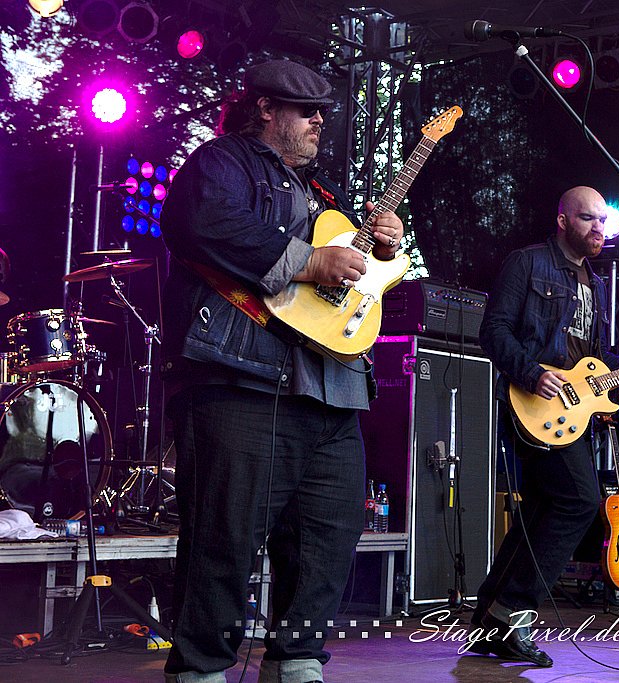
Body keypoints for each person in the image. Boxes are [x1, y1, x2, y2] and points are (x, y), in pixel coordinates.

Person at [159, 60, 404, 683]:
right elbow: (200, 223)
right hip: (241, 378)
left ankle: (297, 663)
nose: (319, 119)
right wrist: (308, 261)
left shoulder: (323, 194)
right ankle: (200, 671)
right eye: (305, 109)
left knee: (328, 538)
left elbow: (347, 285)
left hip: (333, 388)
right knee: (224, 537)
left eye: (322, 110)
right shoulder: (222, 161)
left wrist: (382, 250)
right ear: (265, 109)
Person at [466, 186, 619, 667]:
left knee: (542, 509)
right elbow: (493, 331)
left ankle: (488, 620)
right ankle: (512, 611)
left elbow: (597, 361)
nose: (599, 229)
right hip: (532, 404)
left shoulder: (597, 284)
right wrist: (532, 373)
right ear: (563, 220)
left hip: (571, 416)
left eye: (603, 221)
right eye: (588, 219)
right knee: (580, 501)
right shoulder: (527, 263)